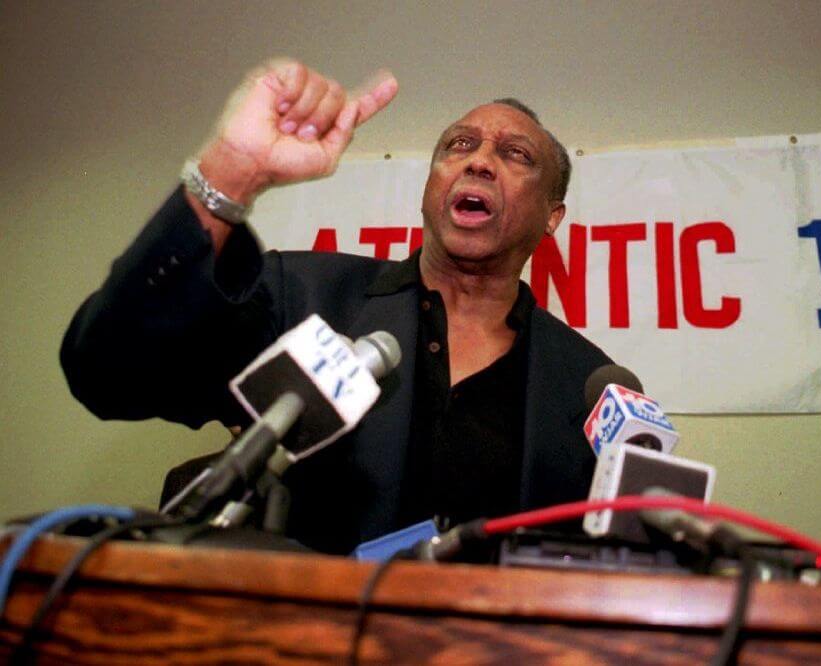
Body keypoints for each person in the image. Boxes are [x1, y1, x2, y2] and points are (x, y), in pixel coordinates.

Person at [61, 60, 615, 555]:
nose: (479, 163)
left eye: (515, 155)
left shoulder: (589, 385)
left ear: (552, 217)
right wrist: (229, 173)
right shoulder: (302, 296)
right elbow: (107, 372)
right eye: (459, 146)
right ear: (430, 187)